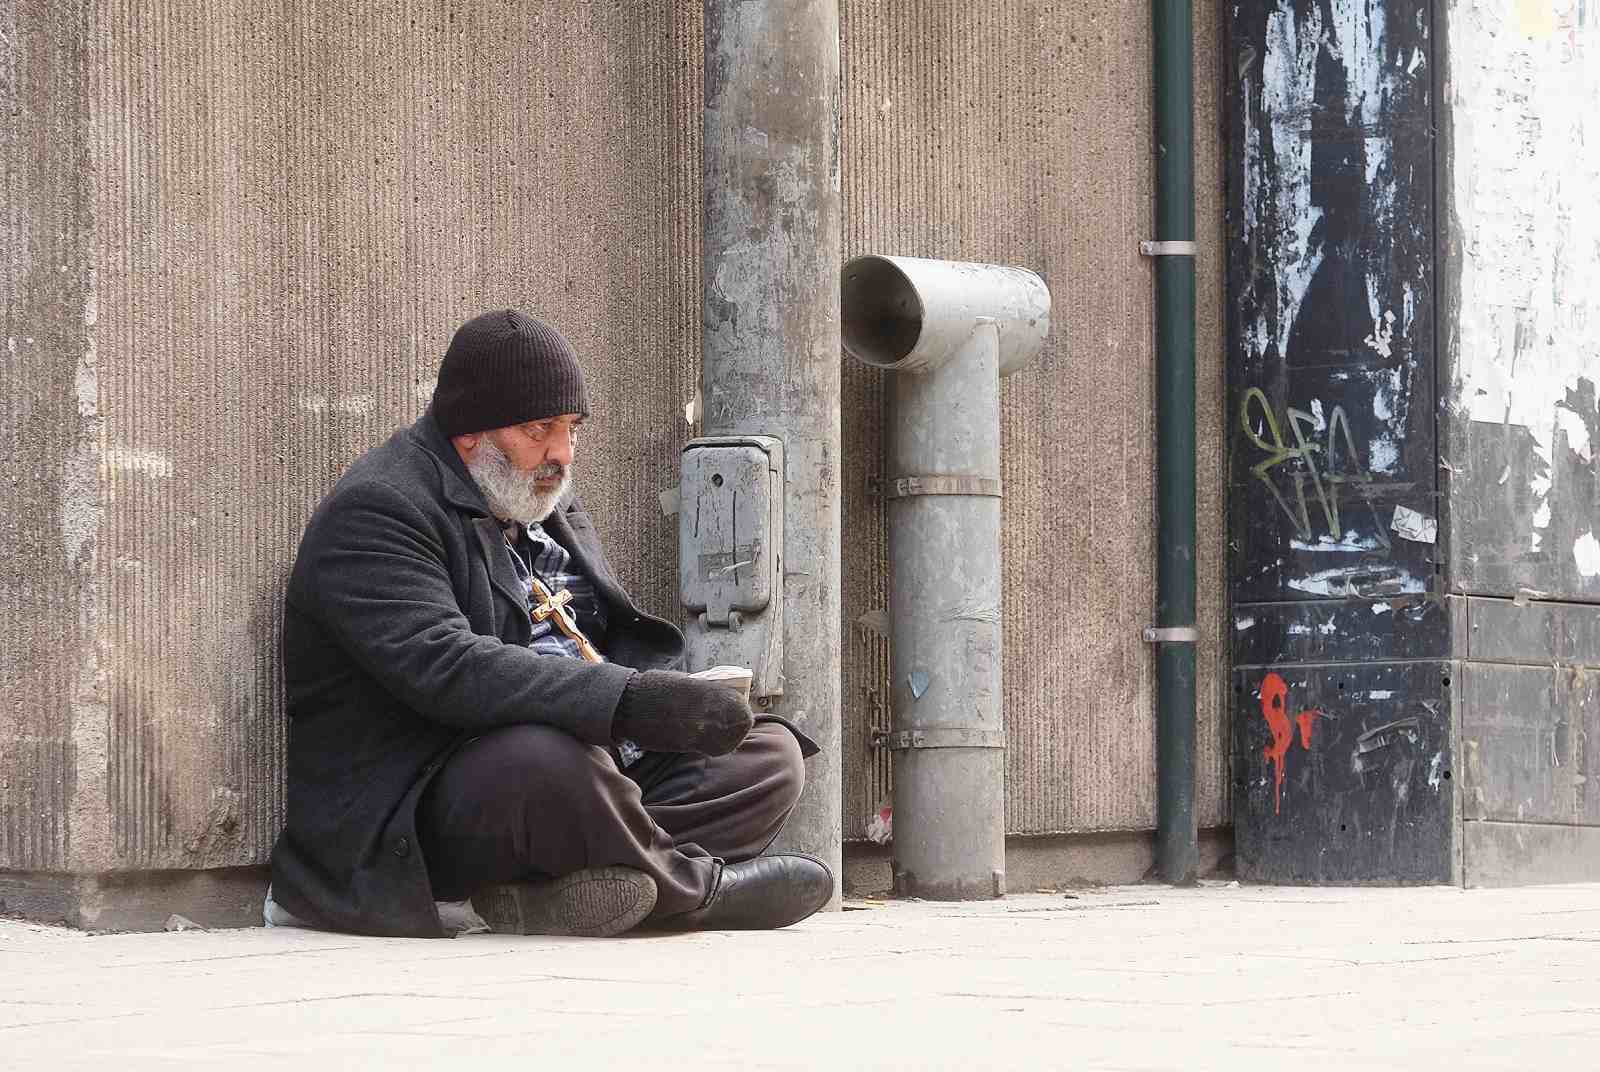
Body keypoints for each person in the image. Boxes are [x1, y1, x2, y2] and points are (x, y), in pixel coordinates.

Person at [267, 309, 833, 938]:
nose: (561, 456)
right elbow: (450, 670)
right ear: (469, 432)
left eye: (571, 429)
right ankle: (698, 893)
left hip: (586, 762)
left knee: (767, 755)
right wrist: (627, 702)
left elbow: (598, 635)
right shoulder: (380, 510)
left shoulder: (538, 496)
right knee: (546, 766)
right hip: (427, 800)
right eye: (539, 430)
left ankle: (568, 887)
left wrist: (674, 697)